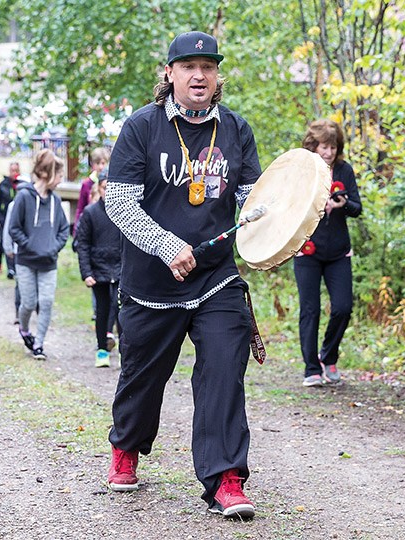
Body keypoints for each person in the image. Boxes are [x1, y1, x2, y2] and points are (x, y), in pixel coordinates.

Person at [104, 31, 261, 519]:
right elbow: (119, 202)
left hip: (216, 279)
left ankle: (225, 479)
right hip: (151, 285)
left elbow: (252, 203)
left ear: (218, 77)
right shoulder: (141, 128)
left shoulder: (235, 130)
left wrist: (288, 224)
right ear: (168, 73)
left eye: (208, 67)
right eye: (189, 66)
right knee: (141, 380)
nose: (199, 75)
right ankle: (126, 446)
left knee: (223, 371)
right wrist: (166, 245)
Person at [296, 119, 362, 387]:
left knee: (343, 307)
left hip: (338, 252)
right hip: (307, 251)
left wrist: (343, 204)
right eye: (324, 146)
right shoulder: (303, 170)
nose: (329, 152)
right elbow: (289, 206)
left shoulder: (344, 171)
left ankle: (328, 356)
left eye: (333, 147)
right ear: (313, 146)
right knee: (310, 310)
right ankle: (311, 369)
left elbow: (357, 208)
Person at [8, 149, 69, 361]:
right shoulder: (24, 197)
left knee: (46, 301)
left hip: (49, 262)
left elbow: (64, 230)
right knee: (28, 302)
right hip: (26, 261)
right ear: (48, 173)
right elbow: (14, 228)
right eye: (59, 175)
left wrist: (54, 248)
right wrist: (29, 246)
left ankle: (39, 344)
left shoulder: (55, 201)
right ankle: (24, 330)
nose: (61, 180)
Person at [75, 177, 122, 368]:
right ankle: (102, 349)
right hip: (98, 269)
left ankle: (124, 352)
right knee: (102, 310)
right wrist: (86, 272)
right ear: (99, 189)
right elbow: (83, 244)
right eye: (105, 187)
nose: (108, 191)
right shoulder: (90, 213)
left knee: (121, 311)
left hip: (120, 268)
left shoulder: (123, 212)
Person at [0, 161, 21, 278]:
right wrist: (0, 217)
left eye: (16, 170)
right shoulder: (3, 185)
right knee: (6, 242)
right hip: (5, 219)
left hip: (19, 220)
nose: (14, 173)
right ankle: (10, 268)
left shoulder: (22, 184)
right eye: (12, 170)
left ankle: (16, 266)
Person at [74, 147, 110, 232]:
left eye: (103, 163)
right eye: (97, 163)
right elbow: (80, 208)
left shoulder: (111, 182)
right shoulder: (87, 184)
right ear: (93, 164)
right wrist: (76, 230)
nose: (101, 167)